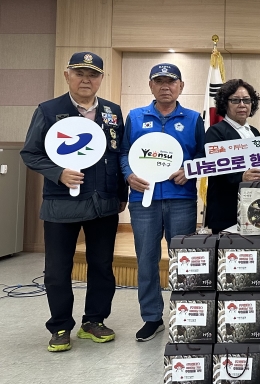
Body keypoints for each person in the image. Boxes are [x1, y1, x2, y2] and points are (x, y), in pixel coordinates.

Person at [21, 52, 127, 352]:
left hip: (103, 203)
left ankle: (93, 320)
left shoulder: (112, 112)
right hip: (61, 205)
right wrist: (58, 173)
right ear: (67, 75)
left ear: (101, 79)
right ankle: (60, 326)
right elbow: (30, 153)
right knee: (57, 269)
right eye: (79, 73)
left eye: (93, 74)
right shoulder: (49, 110)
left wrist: (121, 195)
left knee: (102, 267)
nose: (86, 79)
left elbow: (119, 155)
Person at [120, 63, 205, 342]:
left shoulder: (193, 119)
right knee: (146, 259)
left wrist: (189, 170)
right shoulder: (135, 117)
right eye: (159, 81)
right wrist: (128, 175)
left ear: (181, 86)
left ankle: (185, 316)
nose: (165, 86)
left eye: (171, 81)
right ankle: (152, 317)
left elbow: (205, 158)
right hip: (143, 199)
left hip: (181, 199)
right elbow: (123, 154)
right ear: (150, 85)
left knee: (183, 261)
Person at [204, 79, 260, 233]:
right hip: (226, 208)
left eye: (246, 100)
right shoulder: (215, 132)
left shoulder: (255, 132)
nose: (242, 105)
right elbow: (215, 168)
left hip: (253, 205)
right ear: (225, 103)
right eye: (235, 100)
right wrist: (241, 176)